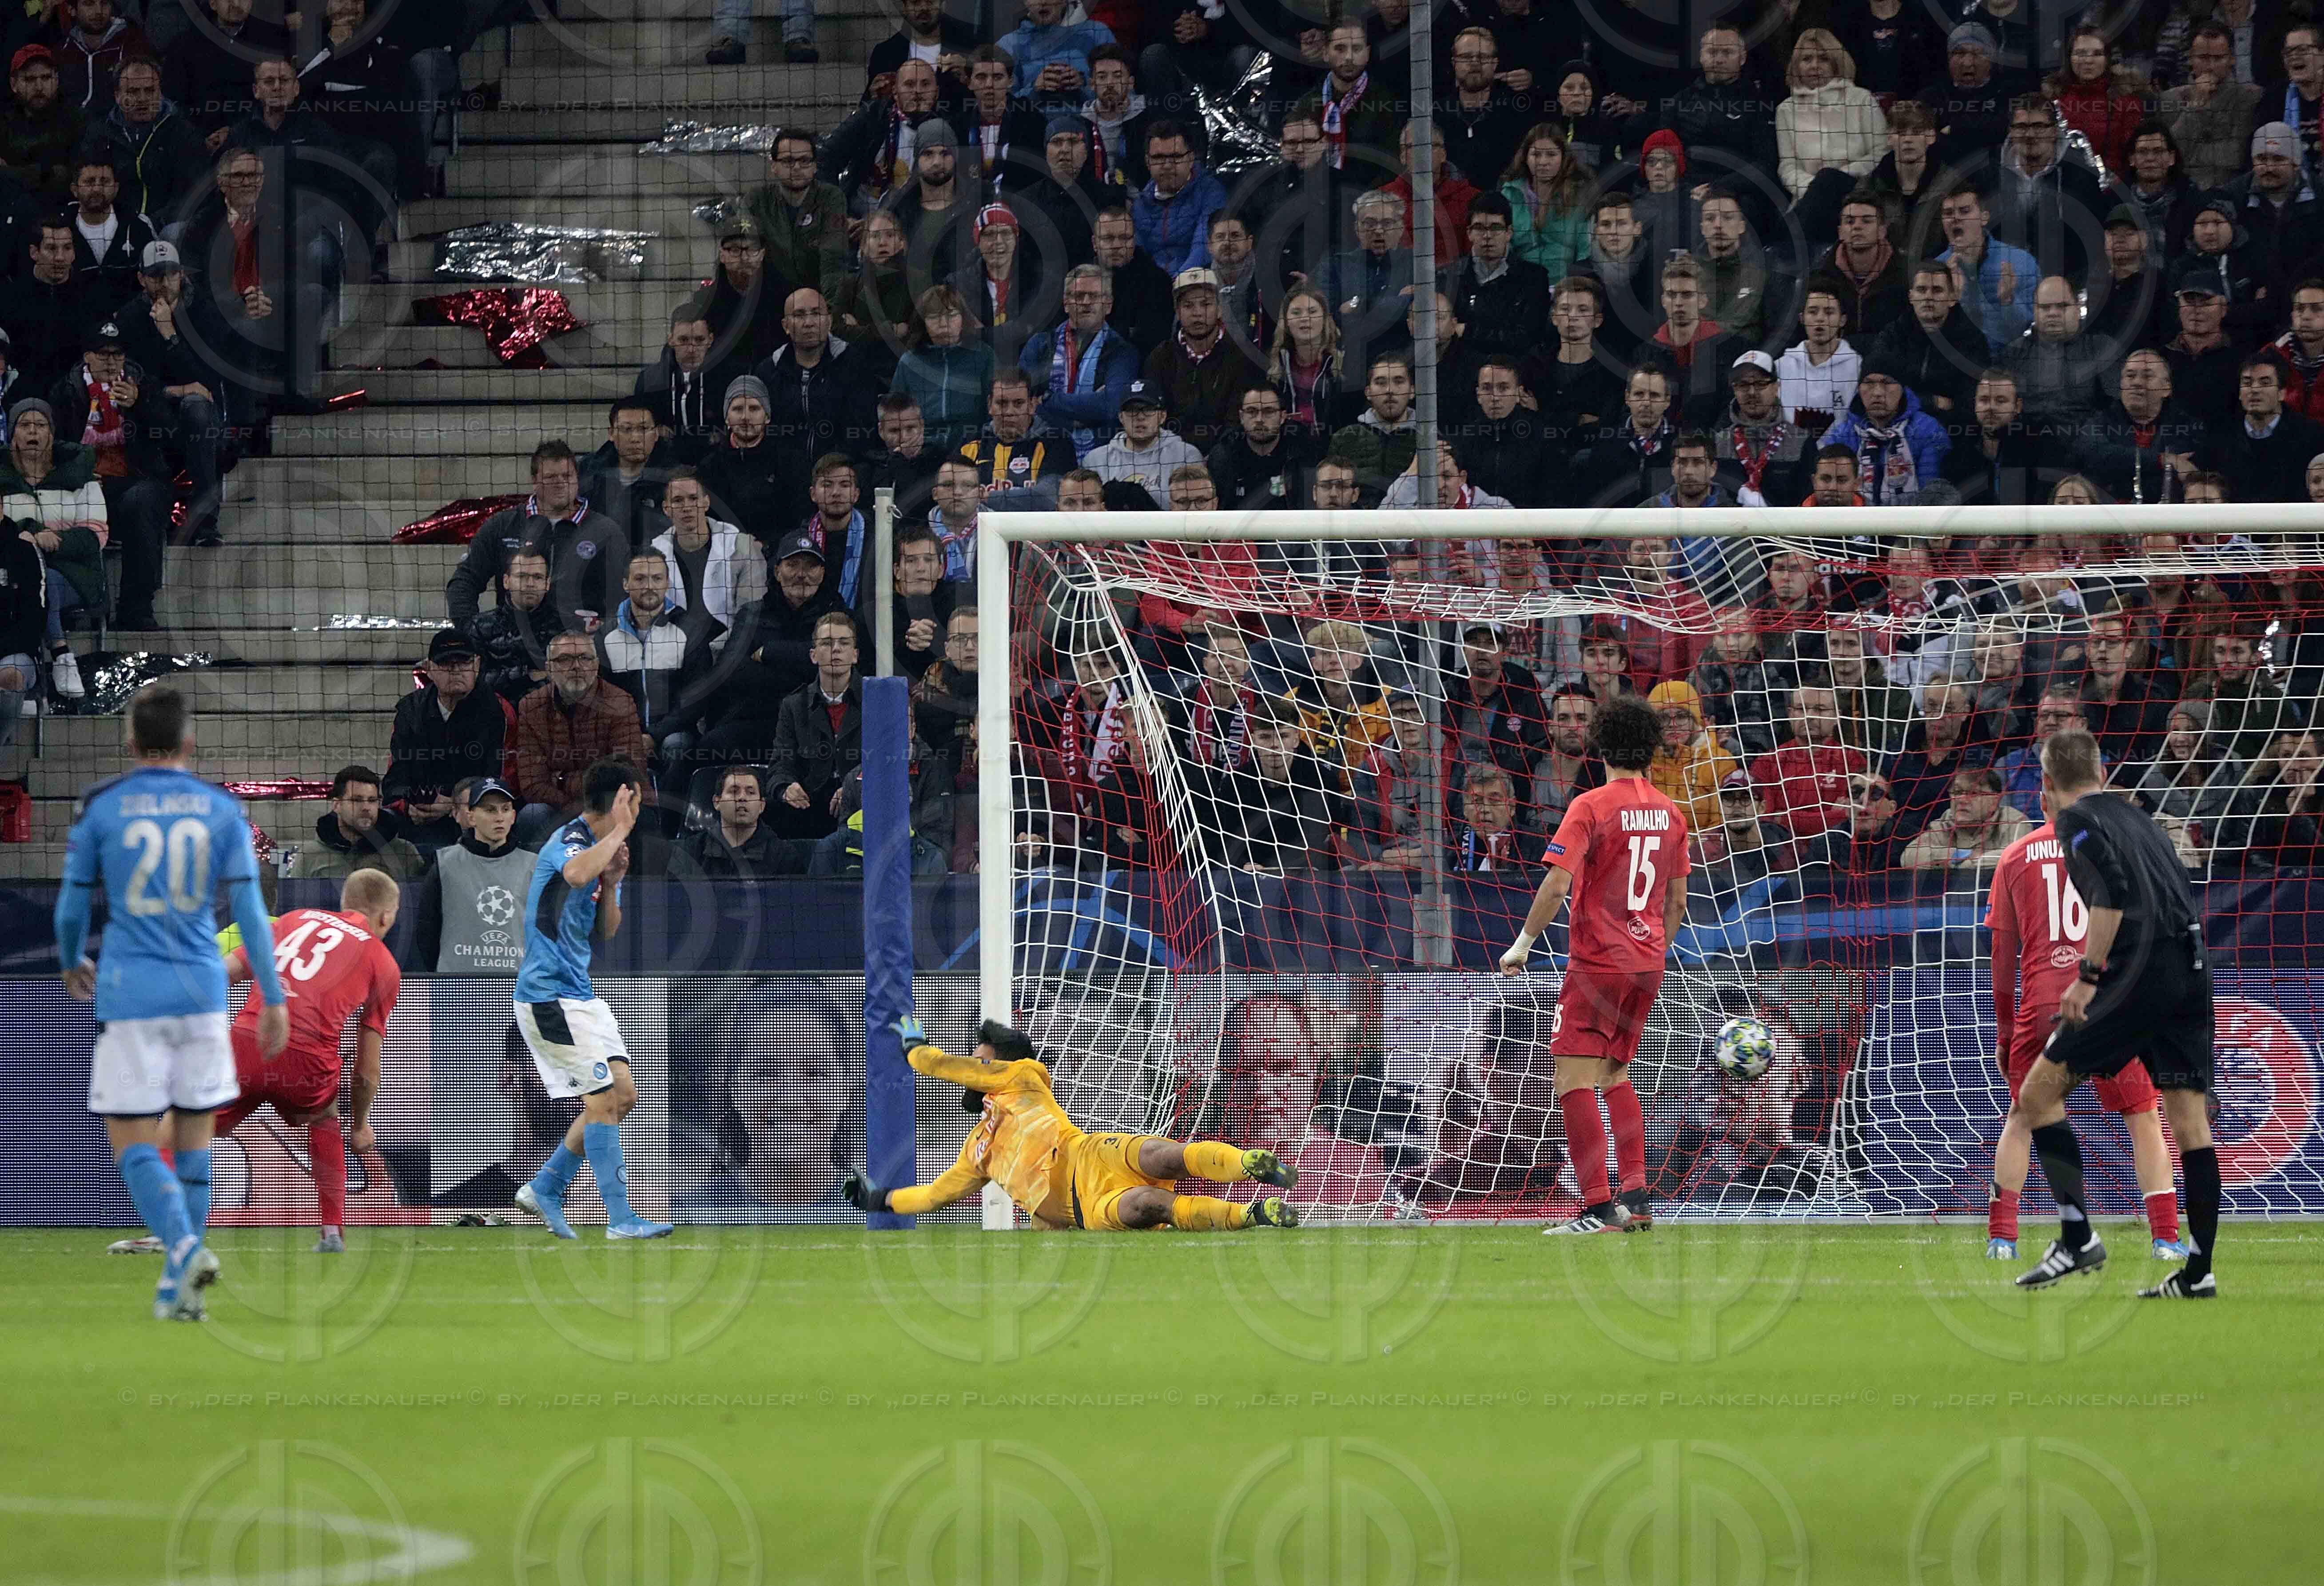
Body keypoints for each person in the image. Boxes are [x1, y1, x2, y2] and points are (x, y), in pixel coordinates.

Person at [56, 684, 287, 1319]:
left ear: (131, 744)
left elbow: (73, 904)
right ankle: (177, 1291)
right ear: (190, 743)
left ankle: (184, 1248)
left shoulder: (102, 805)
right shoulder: (221, 810)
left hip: (132, 991)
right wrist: (271, 995)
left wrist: (71, 954)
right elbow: (251, 912)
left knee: (131, 1141)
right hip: (203, 991)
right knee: (194, 1143)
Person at [2010, 729, 2222, 1299]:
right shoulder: (2139, 818)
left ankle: (2077, 1238)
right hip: (2192, 967)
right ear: (2102, 774)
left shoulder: (2074, 823)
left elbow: (2110, 893)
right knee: (2190, 1126)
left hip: (2137, 976)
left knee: (2036, 1095)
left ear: (2046, 786)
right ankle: (2198, 1274)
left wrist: (2087, 979)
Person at [1499, 696, 1688, 1235]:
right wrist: (1651, 951)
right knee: (1616, 1073)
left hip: (1598, 962)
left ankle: (1598, 1207)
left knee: (1572, 1079)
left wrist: (1523, 943)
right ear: (1652, 749)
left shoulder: (1592, 805)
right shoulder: (1671, 812)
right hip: (1648, 961)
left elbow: (1558, 884)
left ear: (1601, 746)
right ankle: (1636, 1193)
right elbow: (1676, 904)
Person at [844, 1014, 1299, 1229]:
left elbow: (948, 1067)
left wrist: (915, 1052)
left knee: (1164, 1155)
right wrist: (881, 1199)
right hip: (1083, 1209)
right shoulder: (977, 1151)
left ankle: (1253, 1164)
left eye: (981, 1057)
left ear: (999, 1062)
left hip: (1091, 1153)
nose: (975, 1063)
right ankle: (1253, 1214)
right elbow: (934, 1195)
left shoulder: (1022, 1077)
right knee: (1148, 1205)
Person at [1984, 808, 2189, 1264]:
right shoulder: (2120, 845)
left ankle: (2003, 1239)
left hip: (2042, 1002)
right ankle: (2167, 1239)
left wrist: (2005, 1028)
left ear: (2042, 795)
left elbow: (2002, 951)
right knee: (2143, 1117)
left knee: (2022, 1115)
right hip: (2109, 999)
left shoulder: (2015, 854)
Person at [510, 761, 673, 1240]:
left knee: (623, 1097)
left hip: (580, 994)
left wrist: (617, 881)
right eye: (636, 803)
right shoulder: (571, 841)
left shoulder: (602, 854)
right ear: (624, 800)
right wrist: (619, 831)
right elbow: (578, 874)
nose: (639, 814)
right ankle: (621, 1218)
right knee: (601, 1100)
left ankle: (546, 1186)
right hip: (547, 997)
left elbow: (607, 930)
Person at [216, 872, 401, 1254]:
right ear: (386, 918)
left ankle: (165, 1227)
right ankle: (332, 1231)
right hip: (307, 1058)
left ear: (345, 902)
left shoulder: (293, 919)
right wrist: (361, 1125)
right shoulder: (382, 962)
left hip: (250, 1039)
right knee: (324, 1119)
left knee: (191, 1126)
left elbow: (223, 974)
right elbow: (367, 1067)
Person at [444, 440, 627, 630]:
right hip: (512, 643)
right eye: (551, 477)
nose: (561, 484)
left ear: (577, 479)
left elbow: (624, 593)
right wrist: (472, 632)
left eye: (567, 476)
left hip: (579, 647)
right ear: (534, 481)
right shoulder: (503, 525)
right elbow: (464, 582)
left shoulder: (606, 531)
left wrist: (605, 636)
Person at [509, 633, 642, 846]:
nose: (576, 666)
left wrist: (561, 779)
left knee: (641, 815)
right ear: (549, 668)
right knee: (533, 813)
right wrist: (575, 808)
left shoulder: (620, 702)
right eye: (565, 659)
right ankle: (539, 879)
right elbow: (532, 784)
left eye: (585, 658)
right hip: (557, 807)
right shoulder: (530, 706)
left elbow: (626, 775)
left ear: (597, 666)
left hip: (611, 805)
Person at [383, 627, 505, 848]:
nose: (456, 670)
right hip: (418, 815)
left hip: (476, 817)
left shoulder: (499, 710)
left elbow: (501, 779)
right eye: (446, 664)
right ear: (429, 669)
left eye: (464, 663)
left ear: (477, 666)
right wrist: (411, 805)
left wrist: (454, 804)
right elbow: (395, 778)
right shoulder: (409, 711)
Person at [419, 777, 536, 976]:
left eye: (505, 809)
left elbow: (547, 930)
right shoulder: (444, 863)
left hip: (518, 986)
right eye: (490, 810)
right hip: (456, 988)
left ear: (514, 816)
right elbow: (427, 932)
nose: (499, 817)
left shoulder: (534, 866)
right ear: (471, 817)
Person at [299, 763, 426, 881]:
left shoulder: (404, 852)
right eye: (357, 800)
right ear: (337, 805)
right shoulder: (309, 855)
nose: (366, 807)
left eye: (372, 800)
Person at [682, 765, 803, 877]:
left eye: (751, 793)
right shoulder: (690, 851)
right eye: (734, 791)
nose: (742, 798)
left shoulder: (784, 856)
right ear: (717, 802)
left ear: (762, 806)